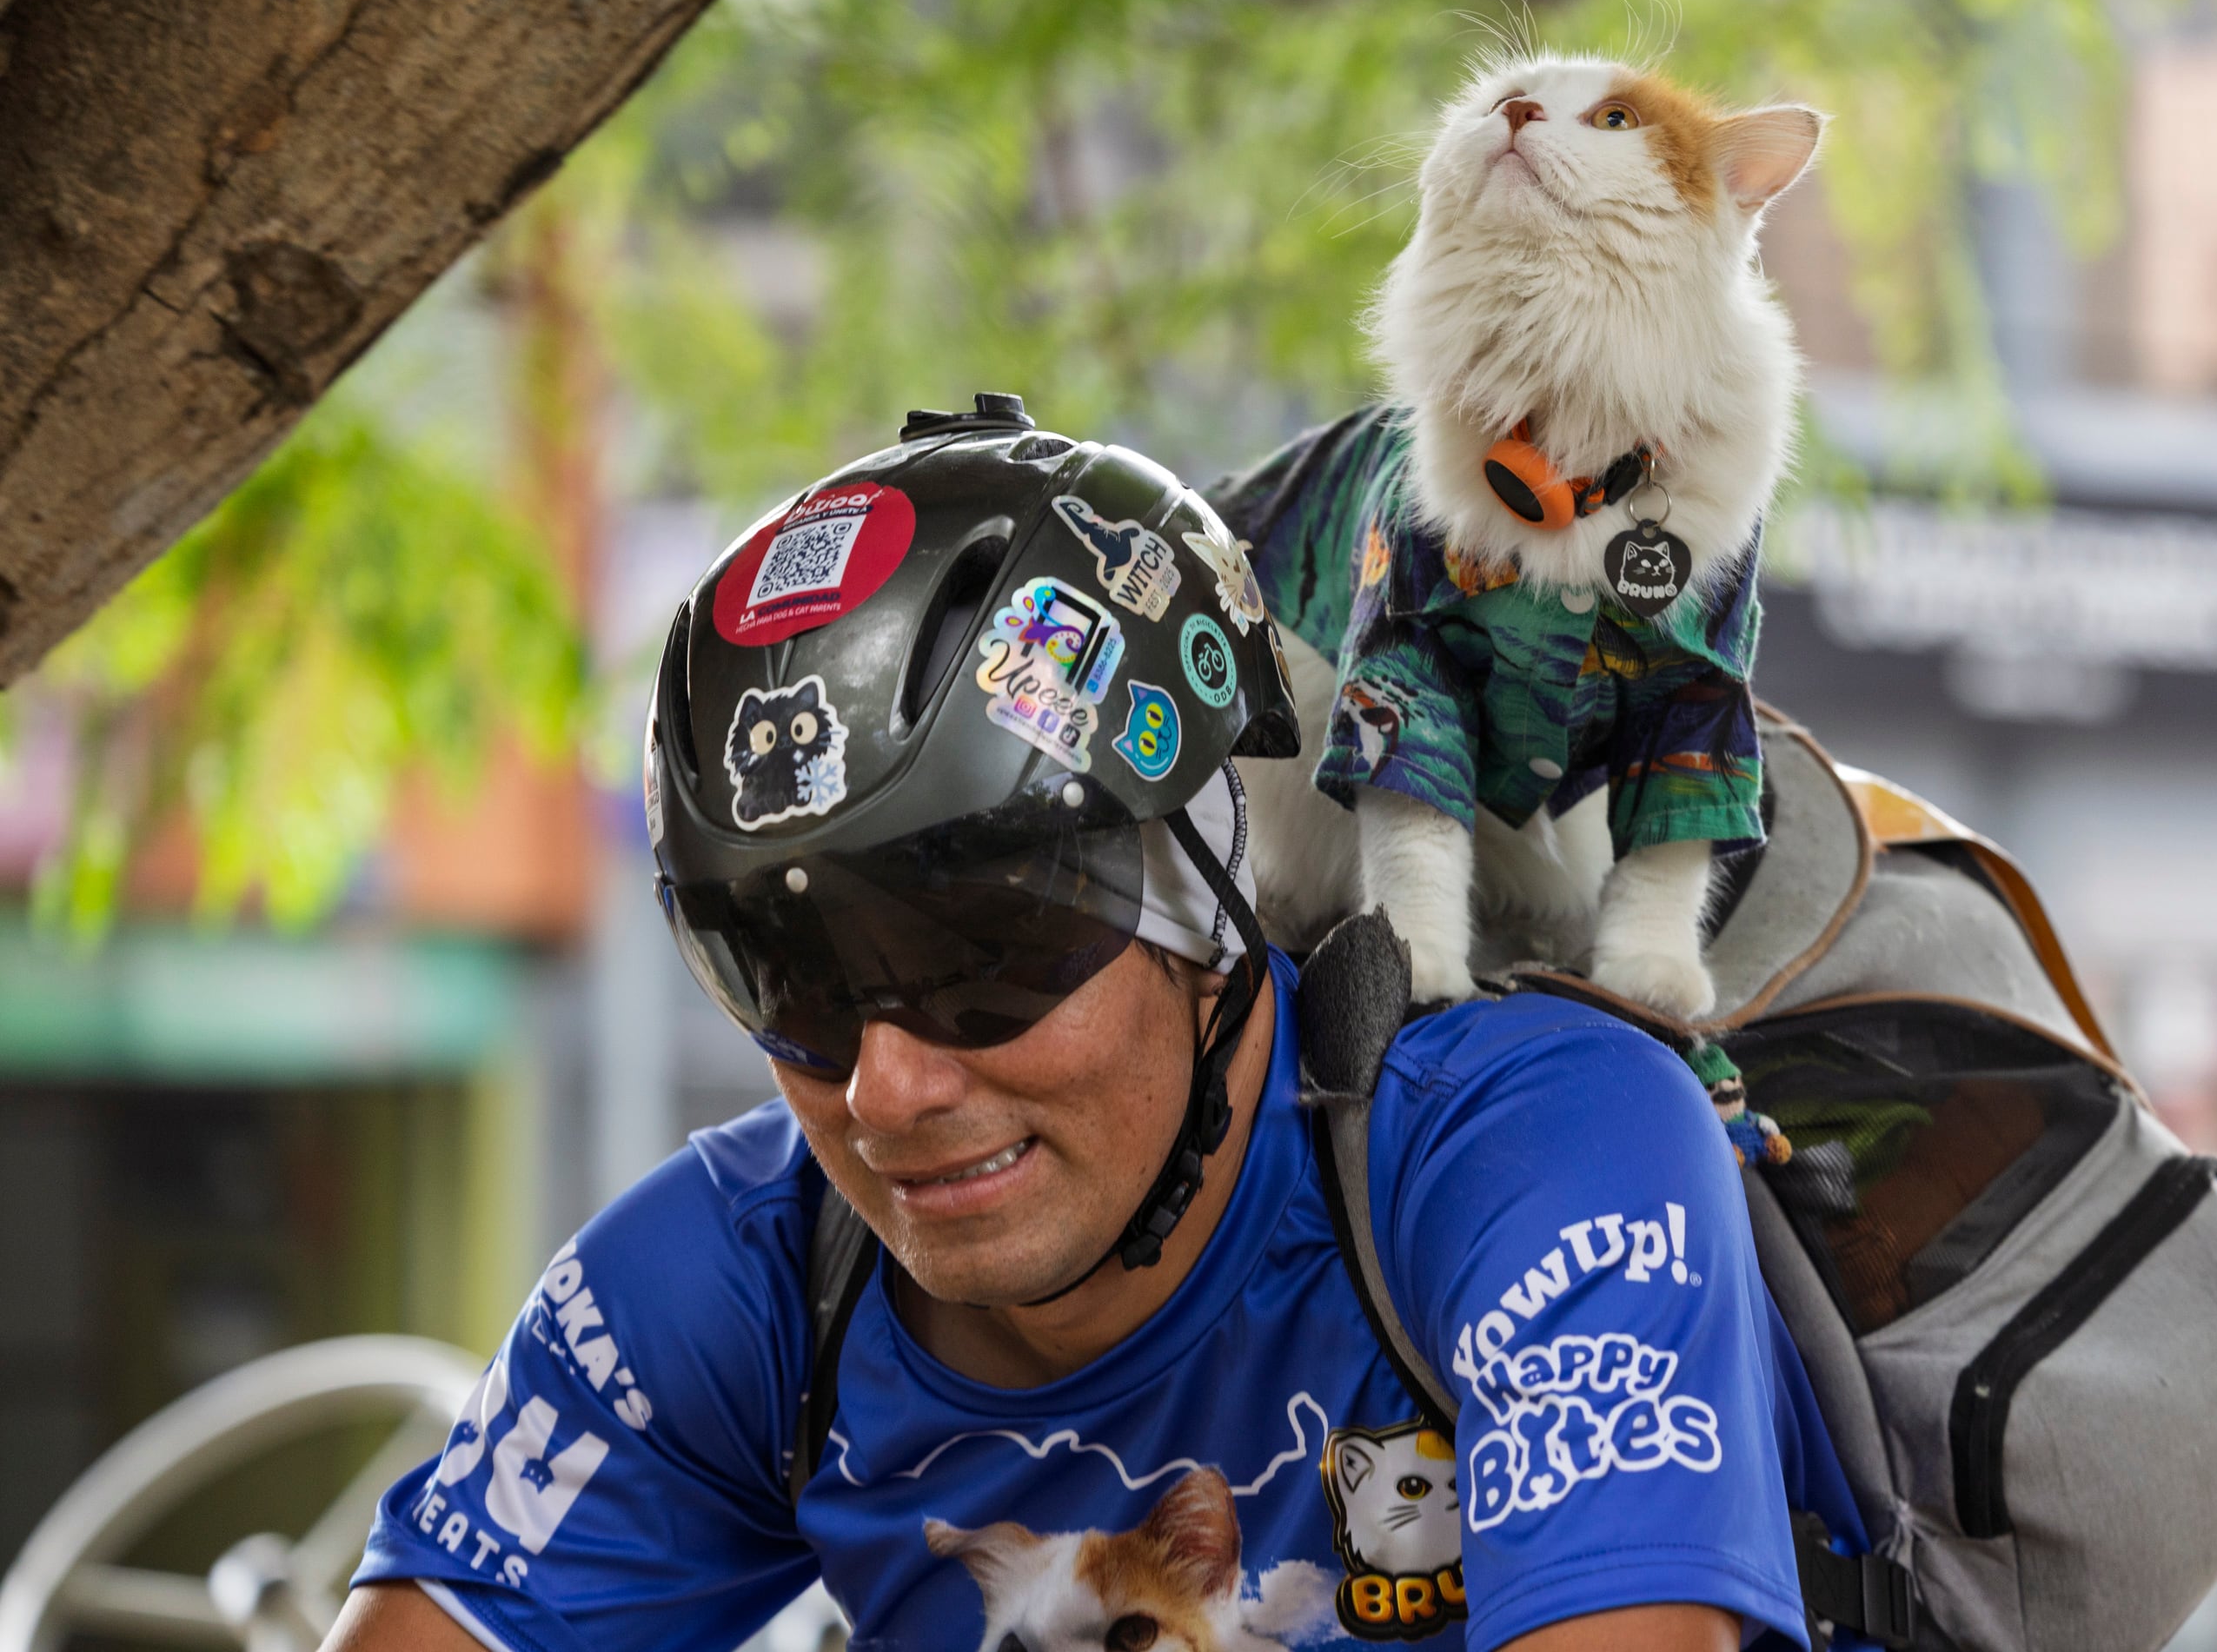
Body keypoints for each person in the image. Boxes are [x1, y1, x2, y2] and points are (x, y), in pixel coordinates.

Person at [322, 398, 1872, 1652]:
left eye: (984, 953)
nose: (886, 1087)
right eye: (783, 980)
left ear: (1208, 885)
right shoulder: (733, 1287)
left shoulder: (1539, 1151)